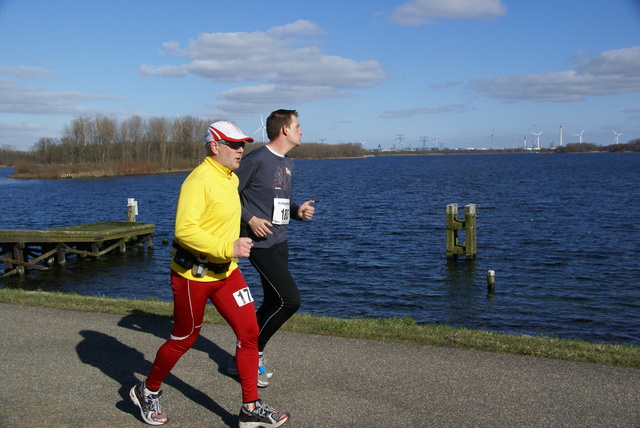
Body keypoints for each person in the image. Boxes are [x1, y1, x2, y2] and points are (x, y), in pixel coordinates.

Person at [129, 121, 289, 428]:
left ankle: (250, 407)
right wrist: (227, 246)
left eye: (242, 144)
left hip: (227, 273)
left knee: (249, 334)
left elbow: (226, 218)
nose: (241, 149)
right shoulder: (198, 180)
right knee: (184, 338)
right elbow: (184, 230)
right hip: (193, 276)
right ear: (215, 146)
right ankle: (146, 390)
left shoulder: (229, 177)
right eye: (233, 144)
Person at [233, 109, 315, 387]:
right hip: (258, 243)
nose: (301, 131)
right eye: (298, 126)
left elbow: (282, 201)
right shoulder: (255, 160)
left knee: (272, 300)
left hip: (280, 241)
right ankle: (253, 353)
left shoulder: (289, 164)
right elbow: (227, 195)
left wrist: (297, 211)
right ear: (284, 130)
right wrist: (250, 219)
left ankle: (244, 356)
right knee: (290, 300)